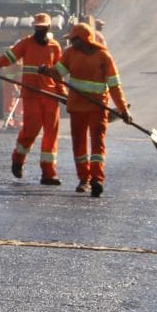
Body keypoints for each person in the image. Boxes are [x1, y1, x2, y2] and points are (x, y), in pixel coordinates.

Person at [46, 21, 132, 198]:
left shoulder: (104, 57)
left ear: (83, 39)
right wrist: (47, 71)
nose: (70, 43)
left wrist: (124, 109)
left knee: (97, 145)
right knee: (79, 145)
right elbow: (58, 72)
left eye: (73, 39)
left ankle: (96, 180)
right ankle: (84, 179)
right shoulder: (70, 53)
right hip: (77, 108)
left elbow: (115, 86)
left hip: (97, 109)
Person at [0, 12, 65, 185]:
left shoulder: (55, 47)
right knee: (30, 131)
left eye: (42, 28)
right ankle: (18, 159)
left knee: (51, 134)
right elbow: (9, 58)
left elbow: (58, 74)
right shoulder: (26, 44)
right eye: (37, 28)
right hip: (32, 94)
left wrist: (62, 93)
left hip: (50, 96)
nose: (39, 31)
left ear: (49, 27)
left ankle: (48, 173)